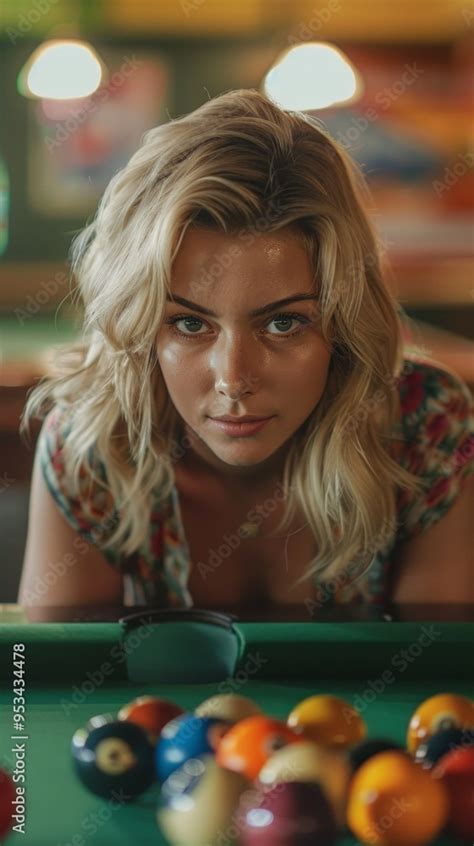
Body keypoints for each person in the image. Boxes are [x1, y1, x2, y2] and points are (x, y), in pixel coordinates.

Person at [18, 89, 474, 612]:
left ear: (342, 323)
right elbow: (44, 680)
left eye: (283, 323)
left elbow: (435, 682)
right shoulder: (91, 443)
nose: (233, 379)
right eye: (189, 323)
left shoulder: (425, 426)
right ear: (141, 327)